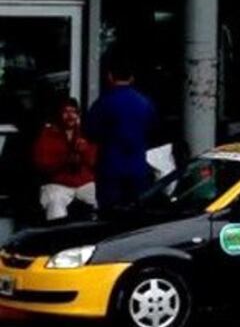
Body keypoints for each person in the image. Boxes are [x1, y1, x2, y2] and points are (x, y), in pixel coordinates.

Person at [85, 52, 157, 211]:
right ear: (132, 78)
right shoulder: (145, 103)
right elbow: (152, 130)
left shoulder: (103, 103)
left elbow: (90, 132)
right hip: (138, 167)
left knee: (110, 217)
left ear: (110, 77)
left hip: (110, 168)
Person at [32, 98, 98, 220]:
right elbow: (41, 164)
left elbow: (93, 162)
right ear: (59, 114)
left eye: (73, 112)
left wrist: (85, 151)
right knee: (54, 201)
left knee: (100, 198)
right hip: (58, 184)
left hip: (83, 183)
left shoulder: (85, 133)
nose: (70, 116)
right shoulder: (47, 135)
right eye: (65, 112)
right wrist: (64, 160)